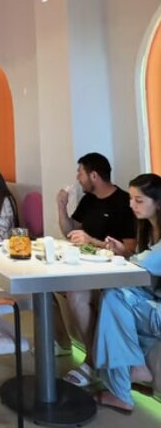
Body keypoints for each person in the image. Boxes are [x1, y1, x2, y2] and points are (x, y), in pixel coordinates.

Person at [56, 152, 136, 386]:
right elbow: (70, 231)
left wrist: (92, 241)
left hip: (111, 272)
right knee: (43, 285)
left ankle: (92, 362)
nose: (77, 178)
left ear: (94, 175)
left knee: (76, 295)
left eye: (80, 172)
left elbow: (129, 249)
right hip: (83, 266)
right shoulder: (89, 200)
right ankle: (62, 343)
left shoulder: (123, 203)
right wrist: (61, 207)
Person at [93, 173, 161, 414]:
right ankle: (133, 371)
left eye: (139, 200)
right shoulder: (149, 231)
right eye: (131, 199)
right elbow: (142, 268)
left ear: (158, 202)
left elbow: (140, 266)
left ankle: (123, 388)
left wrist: (124, 257)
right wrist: (123, 253)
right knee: (114, 295)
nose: (132, 205)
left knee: (114, 296)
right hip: (154, 302)